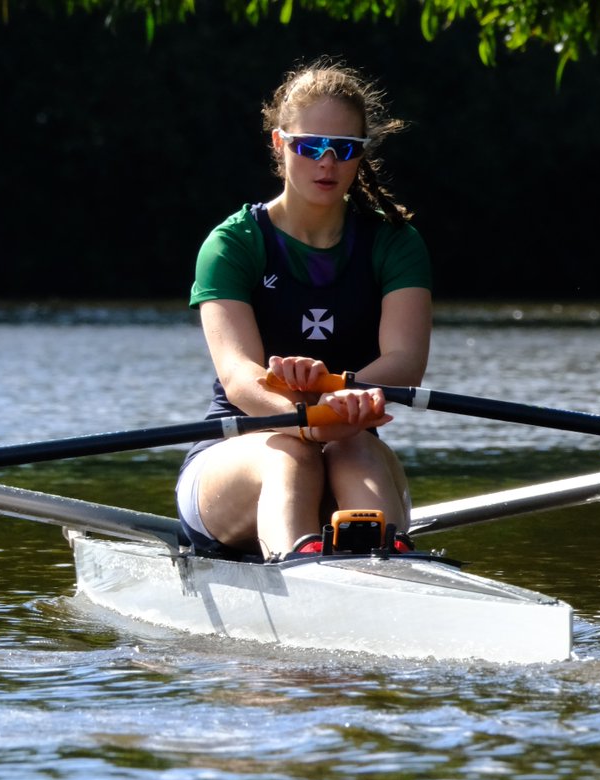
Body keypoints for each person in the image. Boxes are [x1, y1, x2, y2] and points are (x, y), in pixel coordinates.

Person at [175, 58, 433, 560]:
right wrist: (315, 416)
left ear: (362, 155)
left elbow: (404, 364)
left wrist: (336, 398)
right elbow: (240, 378)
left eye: (343, 149)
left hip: (350, 435)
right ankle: (298, 564)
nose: (327, 162)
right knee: (295, 454)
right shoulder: (233, 245)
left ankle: (387, 564)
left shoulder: (395, 243)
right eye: (310, 146)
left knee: (352, 445)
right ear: (279, 144)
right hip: (238, 453)